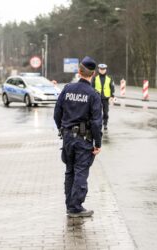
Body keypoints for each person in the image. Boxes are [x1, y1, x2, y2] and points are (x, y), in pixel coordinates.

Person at [54, 56, 102, 218]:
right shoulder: (93, 94)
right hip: (83, 140)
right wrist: (98, 143)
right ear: (93, 73)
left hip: (67, 138)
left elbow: (57, 114)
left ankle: (70, 204)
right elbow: (96, 122)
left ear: (79, 71)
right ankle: (75, 207)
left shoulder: (67, 89)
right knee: (80, 171)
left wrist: (63, 129)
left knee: (69, 171)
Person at [91, 64, 115, 130]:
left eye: (103, 69)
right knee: (97, 112)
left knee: (106, 112)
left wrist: (112, 96)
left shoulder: (109, 78)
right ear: (98, 69)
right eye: (101, 69)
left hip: (106, 98)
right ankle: (98, 124)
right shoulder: (95, 78)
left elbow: (112, 87)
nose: (102, 71)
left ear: (105, 70)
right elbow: (92, 88)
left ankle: (105, 124)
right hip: (97, 98)